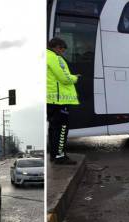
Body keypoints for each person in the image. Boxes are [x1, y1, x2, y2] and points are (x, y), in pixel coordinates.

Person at [47, 37, 79, 165]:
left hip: (52, 100)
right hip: (59, 101)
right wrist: (75, 78)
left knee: (53, 128)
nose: (62, 53)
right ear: (57, 47)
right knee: (62, 129)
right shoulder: (54, 58)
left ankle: (54, 155)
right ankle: (60, 156)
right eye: (62, 50)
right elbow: (64, 78)